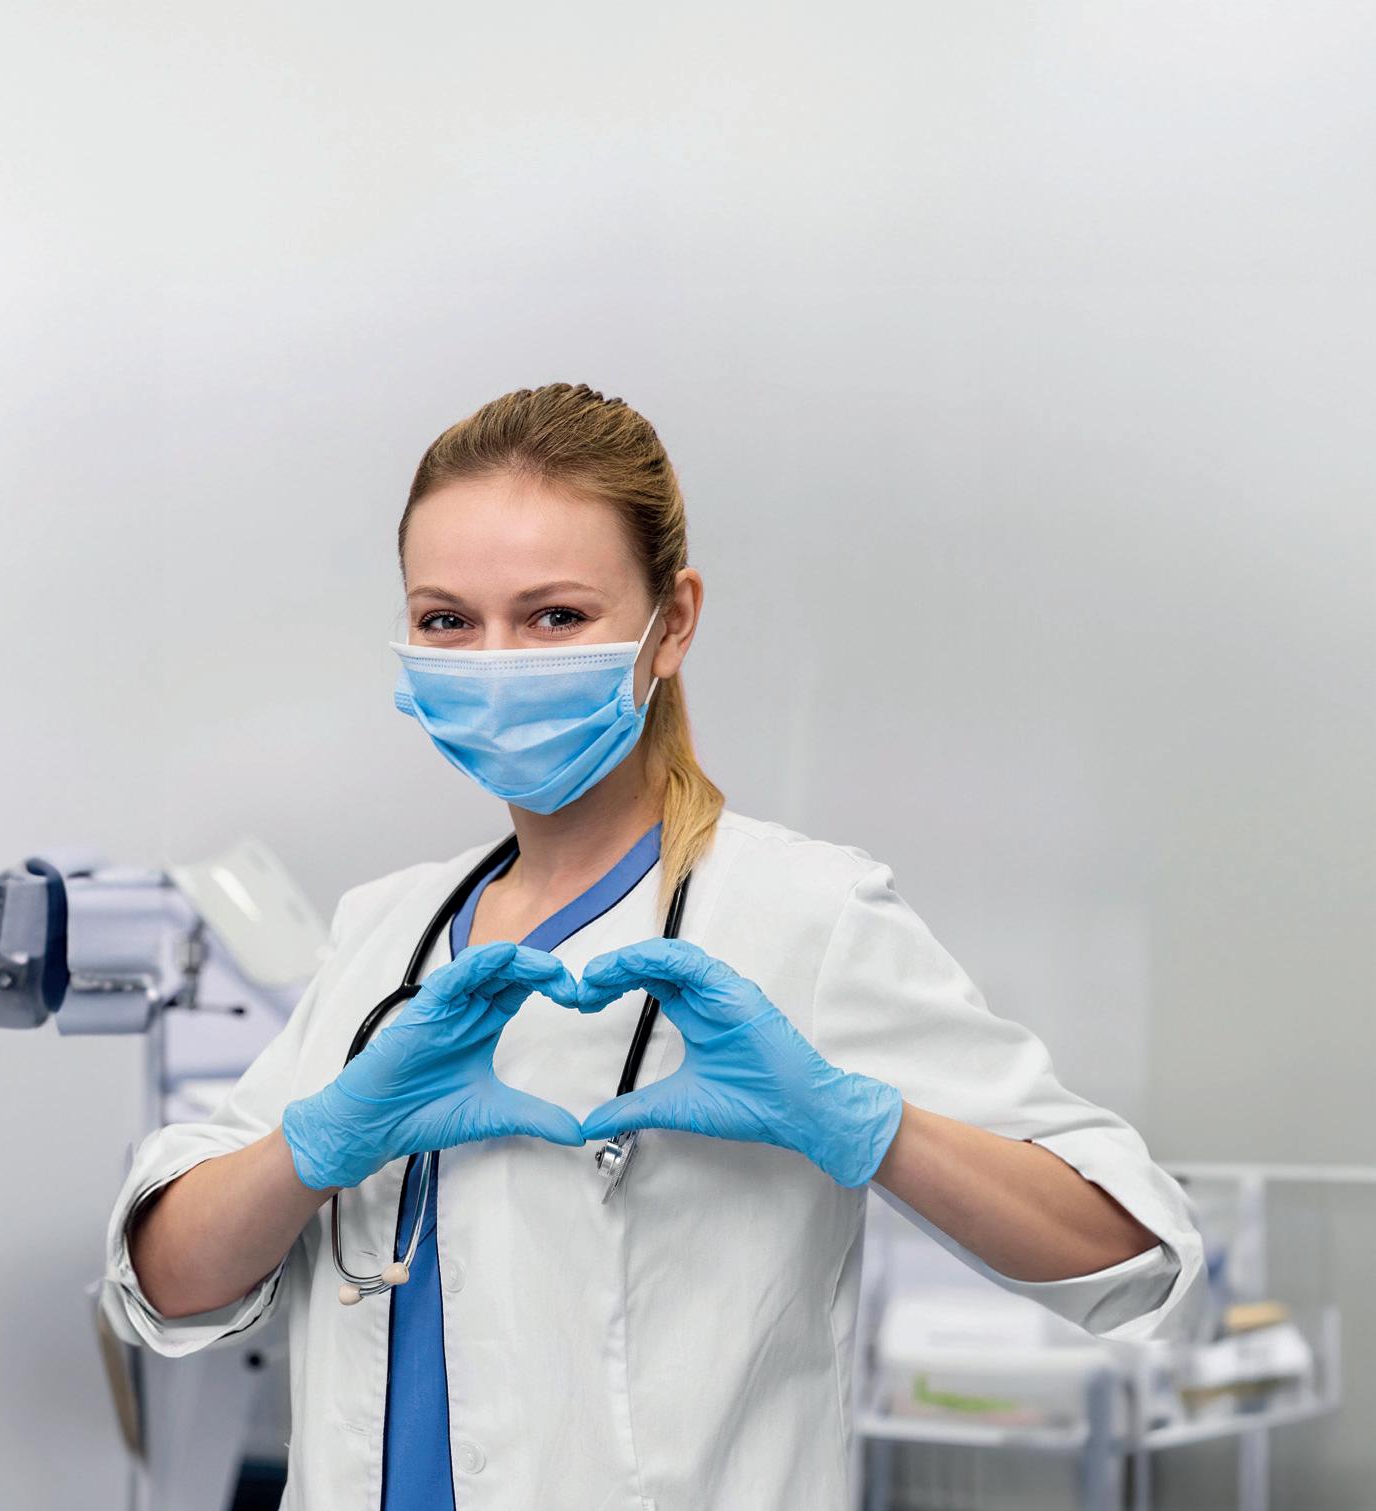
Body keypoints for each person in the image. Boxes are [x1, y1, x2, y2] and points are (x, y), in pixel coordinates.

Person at [101, 381, 1206, 1510]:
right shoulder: (386, 929)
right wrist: (318, 1145)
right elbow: (165, 1285)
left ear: (671, 621)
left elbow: (1134, 1256)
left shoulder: (800, 913)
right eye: (446, 620)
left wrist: (859, 1123)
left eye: (554, 617)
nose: (496, 660)